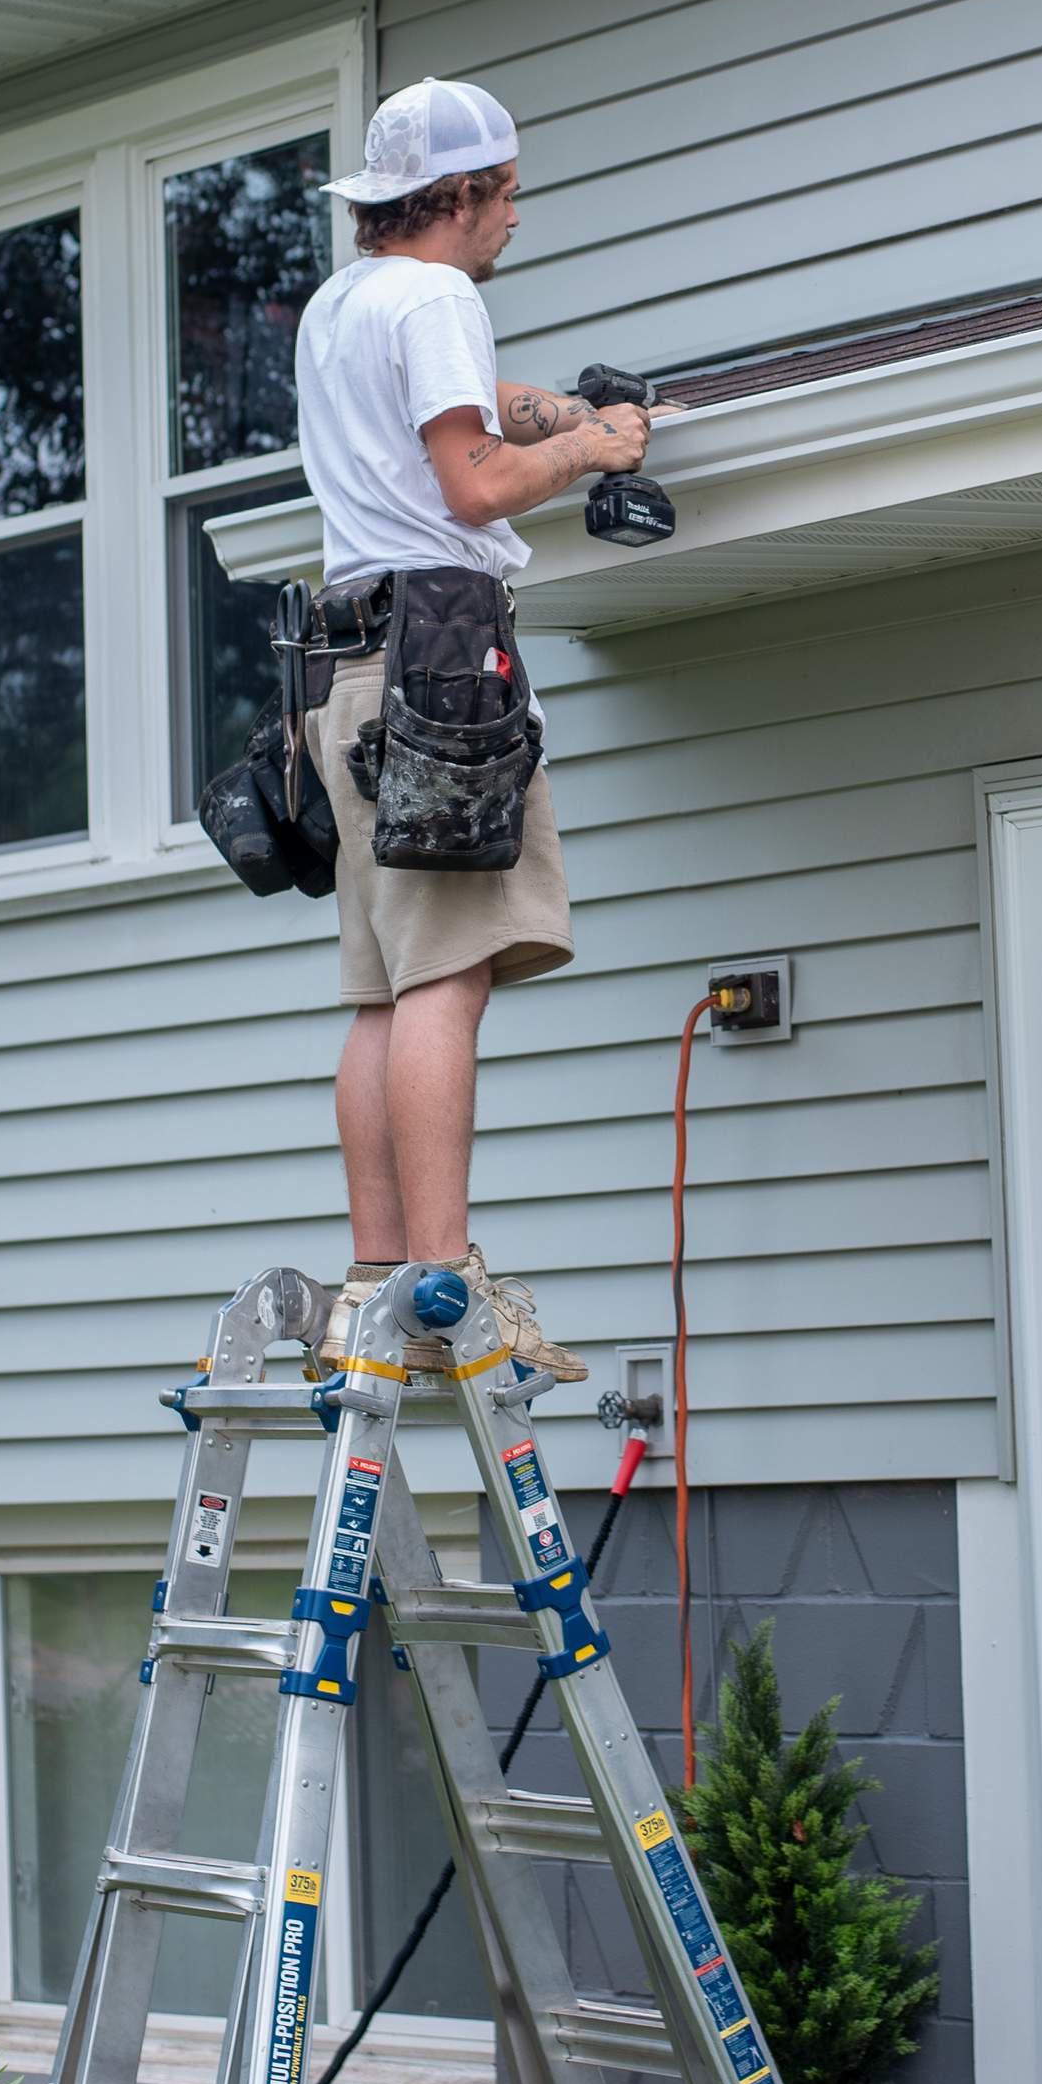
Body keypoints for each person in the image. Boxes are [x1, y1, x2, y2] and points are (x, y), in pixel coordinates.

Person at [293, 76, 659, 1386]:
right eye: (504, 193)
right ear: (455, 198)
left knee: (386, 990)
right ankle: (448, 1285)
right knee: (447, 976)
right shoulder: (441, 294)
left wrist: (563, 410)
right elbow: (473, 481)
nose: (514, 216)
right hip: (444, 661)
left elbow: (466, 413)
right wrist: (595, 455)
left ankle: (378, 1281)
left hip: (350, 674)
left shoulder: (344, 306)